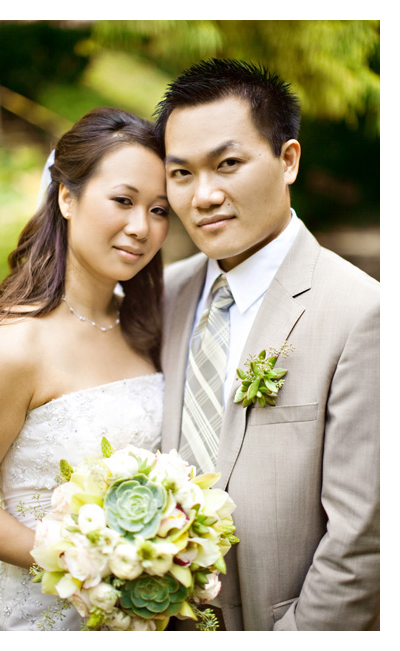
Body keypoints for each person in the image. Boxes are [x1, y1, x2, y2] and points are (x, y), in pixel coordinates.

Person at [154, 59, 379, 630]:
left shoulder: (361, 312)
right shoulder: (163, 295)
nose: (204, 195)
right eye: (181, 174)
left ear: (287, 161)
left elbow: (363, 534)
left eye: (228, 164)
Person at [0, 107, 171, 631]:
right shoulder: (14, 347)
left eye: (159, 210)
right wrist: (77, 561)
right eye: (124, 201)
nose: (140, 228)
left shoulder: (147, 329)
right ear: (66, 197)